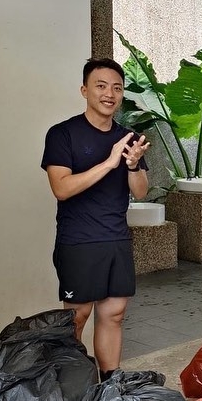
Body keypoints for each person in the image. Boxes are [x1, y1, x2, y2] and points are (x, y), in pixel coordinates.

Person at [41, 58, 150, 381]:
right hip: (78, 240)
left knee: (114, 314)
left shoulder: (129, 137)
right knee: (77, 317)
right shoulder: (63, 134)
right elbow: (61, 188)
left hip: (116, 238)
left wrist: (131, 166)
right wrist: (109, 161)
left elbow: (141, 191)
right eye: (101, 86)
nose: (109, 94)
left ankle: (110, 384)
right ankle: (69, 386)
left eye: (116, 88)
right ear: (84, 90)